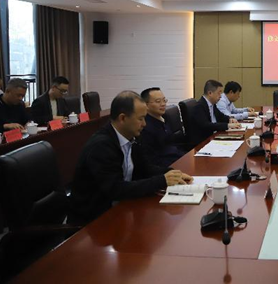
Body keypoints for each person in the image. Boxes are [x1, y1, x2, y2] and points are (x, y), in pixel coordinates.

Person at [69, 91, 193, 225]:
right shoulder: (101, 146)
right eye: (141, 119)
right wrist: (162, 180)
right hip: (95, 221)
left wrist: (171, 173)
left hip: (123, 208)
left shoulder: (132, 137)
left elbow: (144, 169)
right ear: (122, 118)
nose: (145, 124)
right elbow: (115, 189)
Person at [139, 87, 187, 167]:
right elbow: (154, 160)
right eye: (158, 101)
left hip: (178, 157)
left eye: (164, 100)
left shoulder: (164, 118)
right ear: (146, 105)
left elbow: (172, 144)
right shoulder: (146, 127)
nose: (163, 104)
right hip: (168, 166)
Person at [190, 80, 241, 145]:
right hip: (203, 142)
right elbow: (206, 125)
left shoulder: (212, 104)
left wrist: (230, 119)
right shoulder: (199, 106)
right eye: (219, 93)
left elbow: (221, 116)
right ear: (210, 93)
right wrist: (227, 125)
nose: (220, 96)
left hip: (213, 136)